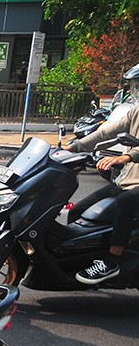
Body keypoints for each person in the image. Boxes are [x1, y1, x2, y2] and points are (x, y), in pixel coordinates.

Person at [63, 101, 139, 284]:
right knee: (78, 211)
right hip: (126, 181)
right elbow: (106, 131)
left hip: (134, 186)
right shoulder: (137, 110)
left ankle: (112, 261)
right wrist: (74, 147)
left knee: (125, 202)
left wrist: (127, 156)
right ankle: (82, 257)